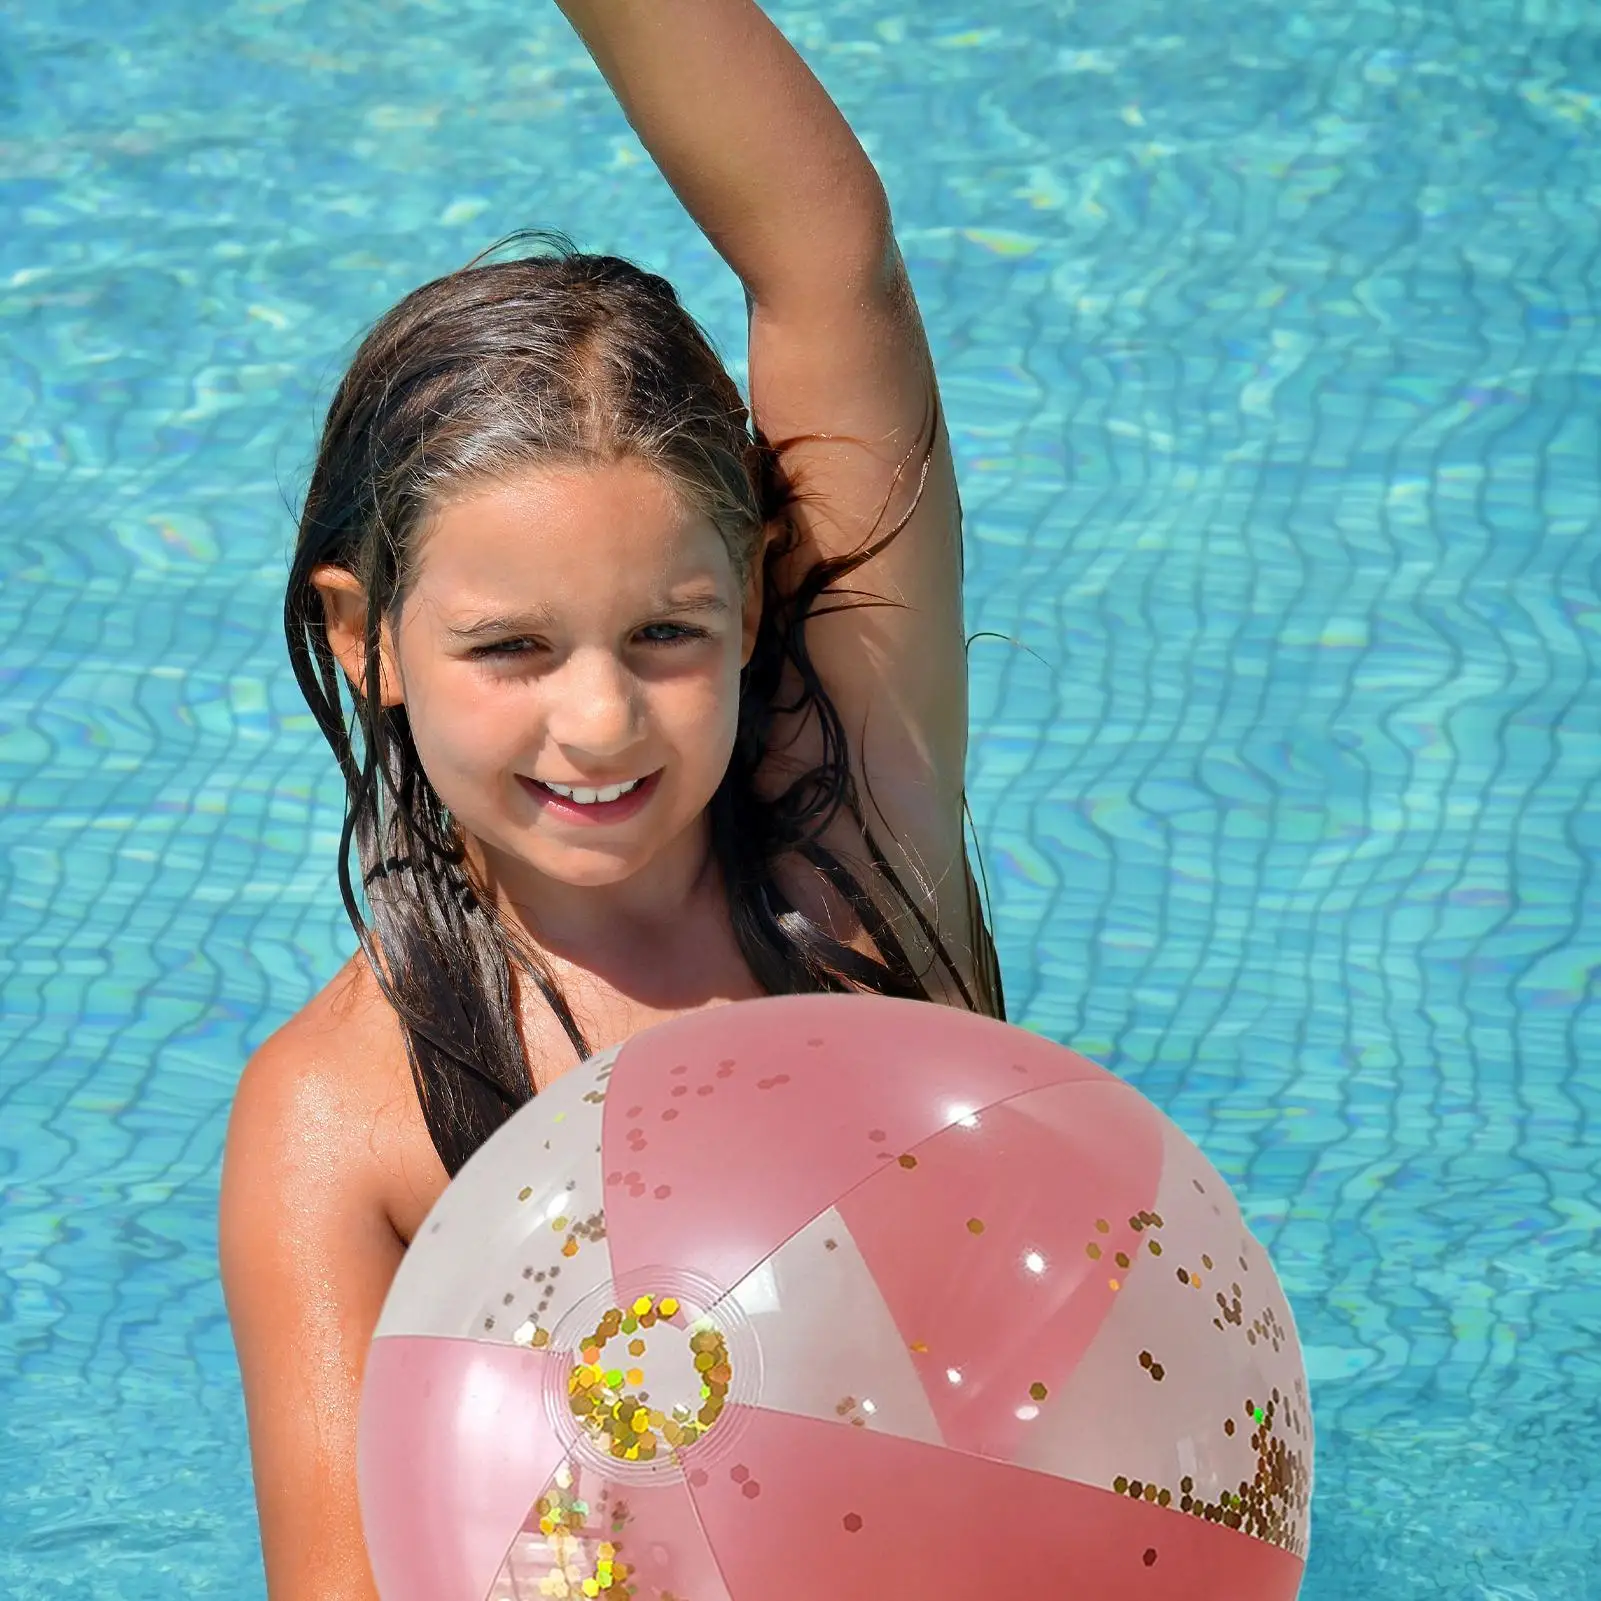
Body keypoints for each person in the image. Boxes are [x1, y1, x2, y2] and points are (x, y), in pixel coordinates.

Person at [219, 2, 1005, 1596]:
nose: (599, 721)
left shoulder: (855, 853)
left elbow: (827, 258)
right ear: (362, 640)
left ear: (759, 598)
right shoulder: (339, 1121)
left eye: (667, 634)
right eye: (509, 647)